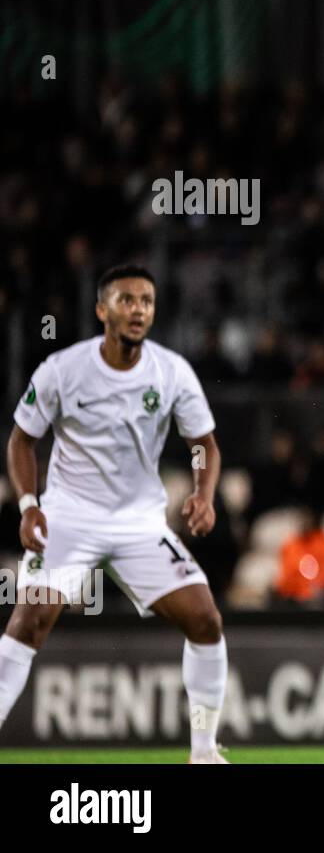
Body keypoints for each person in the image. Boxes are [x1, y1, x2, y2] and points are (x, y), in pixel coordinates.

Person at [0, 265, 229, 763]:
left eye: (146, 301)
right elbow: (22, 438)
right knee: (28, 623)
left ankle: (205, 752)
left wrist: (203, 492)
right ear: (102, 310)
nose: (139, 309)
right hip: (67, 518)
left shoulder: (171, 372)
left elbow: (202, 443)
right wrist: (28, 504)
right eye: (126, 300)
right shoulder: (63, 369)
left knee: (206, 620)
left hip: (140, 525)